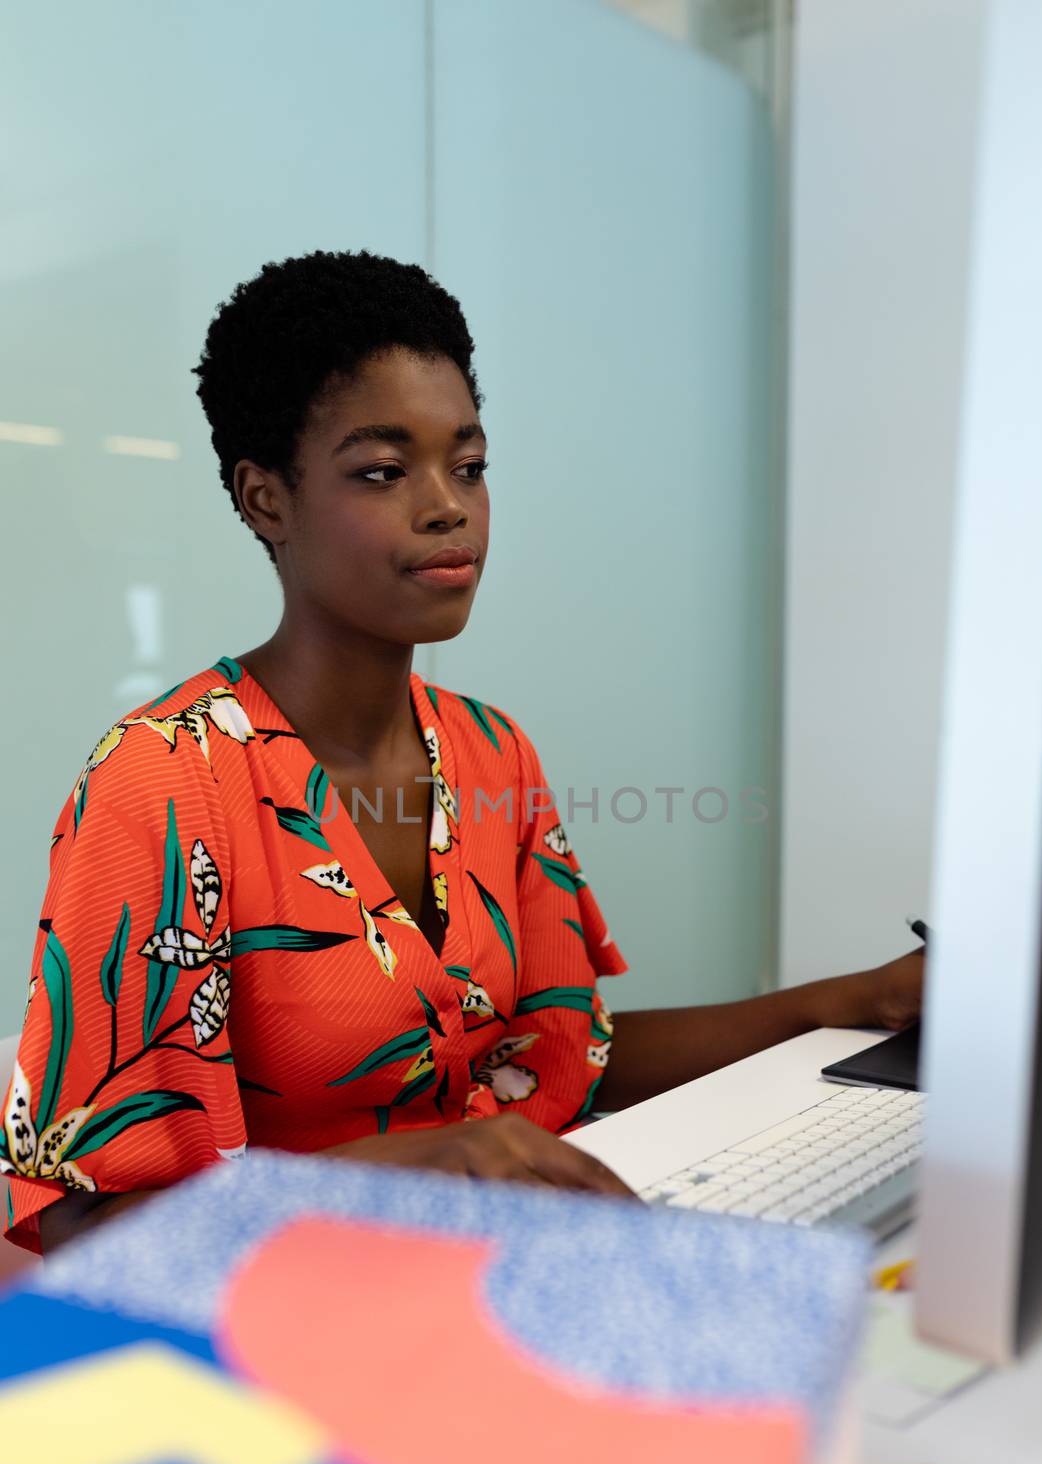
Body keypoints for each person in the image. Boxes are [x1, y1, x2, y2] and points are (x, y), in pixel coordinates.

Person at [0, 250, 923, 1253]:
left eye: (469, 465)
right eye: (384, 471)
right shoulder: (163, 783)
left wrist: (856, 997)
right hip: (281, 1333)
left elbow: (561, 1060)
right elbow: (88, 1220)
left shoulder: (490, 752)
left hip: (501, 1278)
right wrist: (419, 1167)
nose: (448, 505)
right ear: (267, 499)